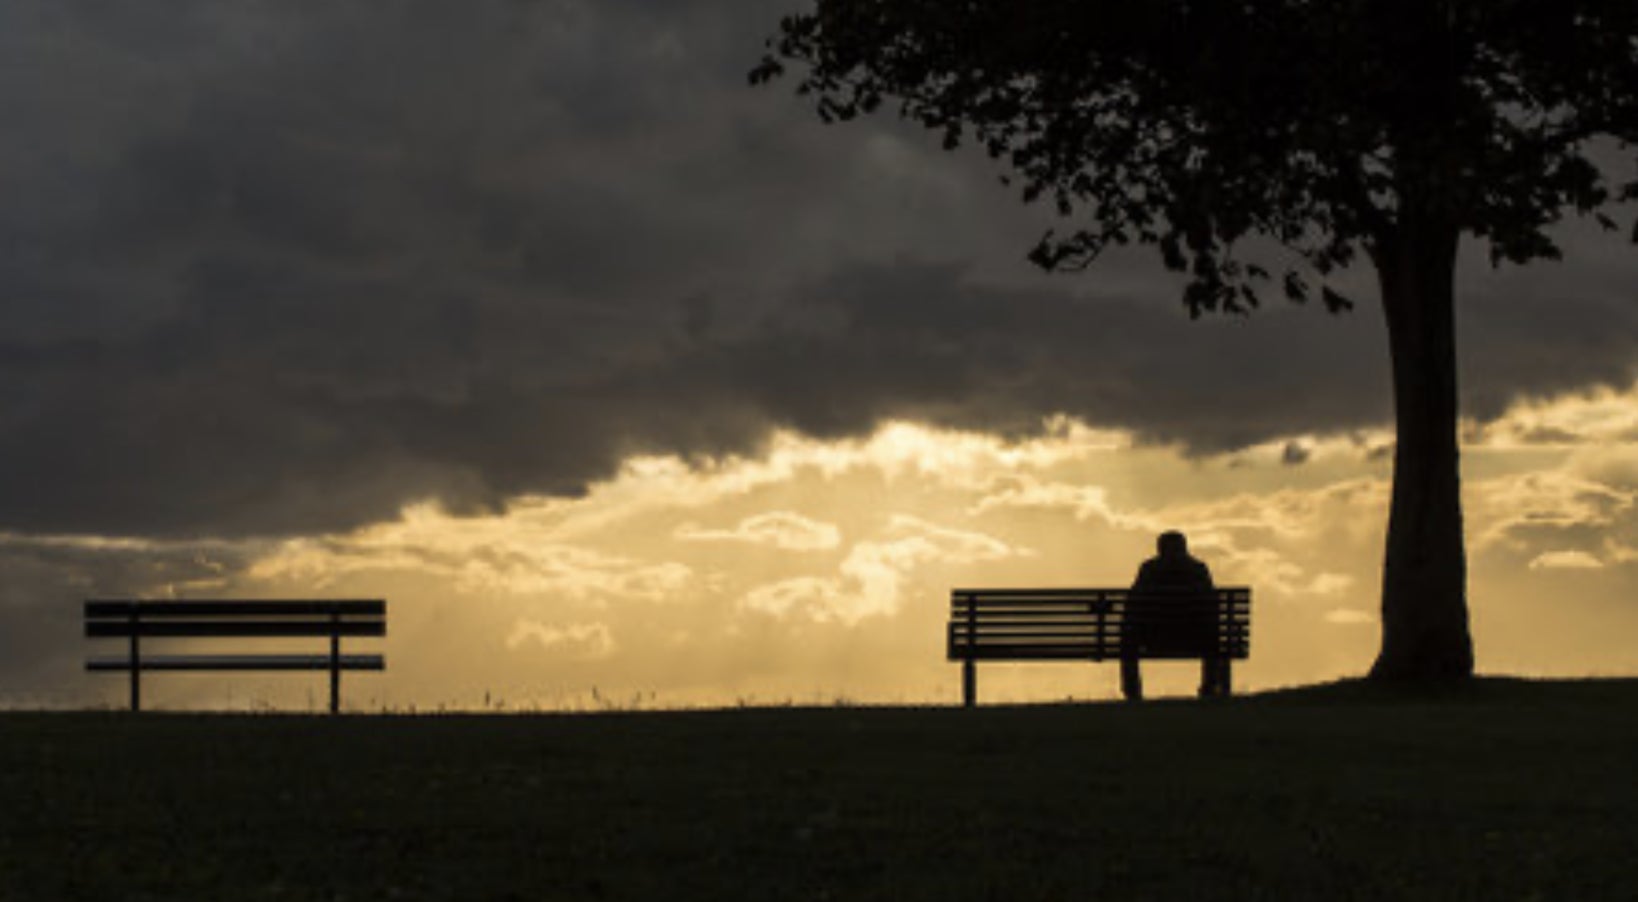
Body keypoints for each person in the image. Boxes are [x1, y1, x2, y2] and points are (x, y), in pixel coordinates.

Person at [1122, 530, 1227, 701]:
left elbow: (1132, 605)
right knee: (1212, 636)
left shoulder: (1149, 569)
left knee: (1128, 637)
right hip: (1194, 640)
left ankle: (1132, 691)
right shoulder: (1198, 569)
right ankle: (1209, 688)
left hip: (1153, 639)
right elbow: (1212, 607)